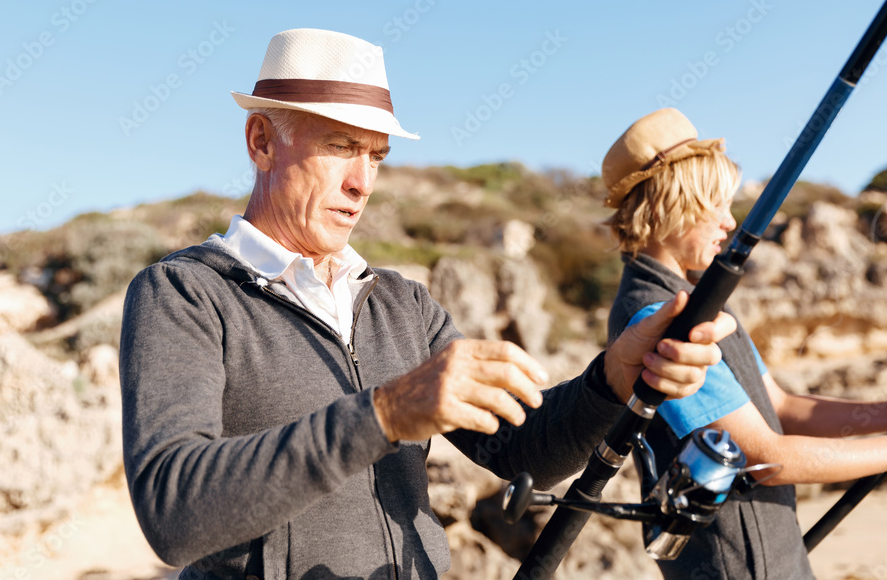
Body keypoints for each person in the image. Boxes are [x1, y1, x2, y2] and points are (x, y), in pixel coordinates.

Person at [119, 29, 737, 579]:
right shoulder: (183, 293)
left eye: (376, 156)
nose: (362, 182)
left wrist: (615, 377)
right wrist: (386, 414)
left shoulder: (403, 304)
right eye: (341, 146)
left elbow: (523, 448)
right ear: (261, 141)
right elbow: (173, 513)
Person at [602, 107, 887, 580]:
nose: (729, 222)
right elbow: (764, 457)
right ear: (667, 206)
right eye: (715, 205)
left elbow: (780, 407)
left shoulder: (698, 299)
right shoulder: (655, 317)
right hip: (739, 566)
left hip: (774, 555)